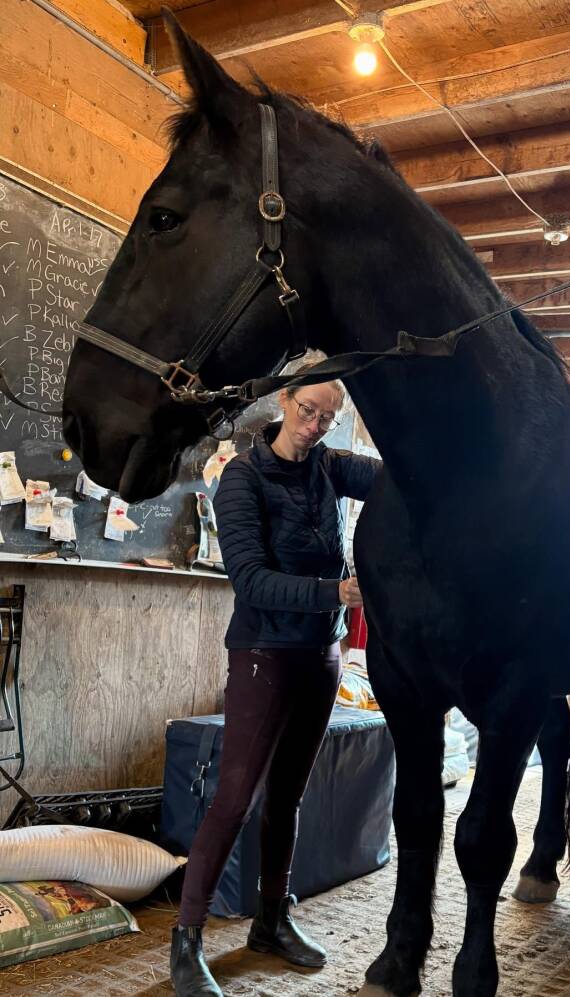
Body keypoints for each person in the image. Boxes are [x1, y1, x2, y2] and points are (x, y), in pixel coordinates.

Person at [171, 367, 381, 997]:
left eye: (329, 416)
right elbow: (251, 580)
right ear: (285, 402)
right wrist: (337, 592)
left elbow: (401, 478)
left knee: (289, 795)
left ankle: (270, 922)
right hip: (264, 652)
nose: (316, 426)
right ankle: (187, 940)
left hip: (323, 652)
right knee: (235, 797)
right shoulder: (243, 476)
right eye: (309, 411)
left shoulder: (330, 465)